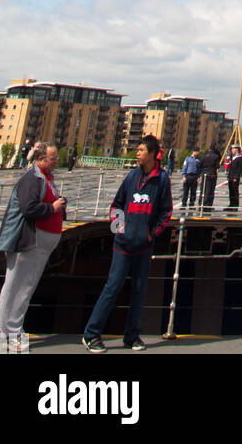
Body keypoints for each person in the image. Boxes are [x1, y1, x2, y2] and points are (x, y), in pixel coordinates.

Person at [82, 134, 172, 353]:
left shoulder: (162, 180)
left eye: (141, 150)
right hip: (122, 244)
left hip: (143, 245)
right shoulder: (132, 176)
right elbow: (117, 205)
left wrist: (150, 234)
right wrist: (119, 230)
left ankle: (131, 336)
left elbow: (166, 211)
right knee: (112, 287)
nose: (137, 153)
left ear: (152, 154)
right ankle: (91, 334)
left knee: (139, 291)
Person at [0, 143, 66, 344]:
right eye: (53, 158)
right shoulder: (33, 179)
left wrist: (57, 207)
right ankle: (9, 331)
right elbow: (29, 209)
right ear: (41, 159)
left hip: (39, 244)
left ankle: (5, 329)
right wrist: (53, 208)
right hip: (29, 240)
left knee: (23, 285)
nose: (56, 160)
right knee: (19, 285)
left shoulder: (46, 178)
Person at [197, 143, 220, 213]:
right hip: (212, 174)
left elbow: (200, 165)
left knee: (203, 189)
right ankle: (208, 205)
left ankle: (201, 204)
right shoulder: (215, 156)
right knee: (210, 190)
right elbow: (217, 166)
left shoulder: (204, 156)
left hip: (204, 173)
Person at [226, 145, 242, 211]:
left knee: (235, 191)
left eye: (233, 149)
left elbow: (239, 169)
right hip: (230, 176)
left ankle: (235, 206)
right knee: (231, 191)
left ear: (236, 149)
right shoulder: (232, 157)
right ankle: (231, 204)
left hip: (235, 177)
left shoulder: (240, 158)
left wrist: (236, 177)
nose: (232, 151)